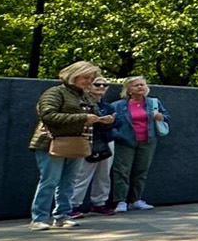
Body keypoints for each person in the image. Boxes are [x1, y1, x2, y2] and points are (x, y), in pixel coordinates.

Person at [28, 61, 114, 230]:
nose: (89, 81)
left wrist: (104, 120)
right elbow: (48, 115)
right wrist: (82, 118)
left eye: (92, 78)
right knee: (50, 180)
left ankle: (63, 215)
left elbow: (94, 114)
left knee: (69, 181)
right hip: (51, 142)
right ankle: (39, 217)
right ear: (73, 75)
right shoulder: (55, 92)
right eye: (86, 77)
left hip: (77, 142)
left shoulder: (86, 95)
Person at [107, 76, 168, 211]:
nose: (140, 87)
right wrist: (119, 136)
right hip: (125, 142)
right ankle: (120, 201)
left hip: (147, 141)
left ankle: (136, 200)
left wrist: (160, 117)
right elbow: (111, 124)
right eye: (136, 85)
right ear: (129, 89)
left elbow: (166, 116)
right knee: (122, 171)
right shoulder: (118, 105)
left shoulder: (153, 103)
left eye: (142, 85)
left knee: (141, 171)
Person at [69, 76, 116, 216]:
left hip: (106, 141)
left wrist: (110, 121)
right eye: (97, 84)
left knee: (104, 174)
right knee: (82, 173)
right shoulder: (81, 104)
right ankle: (72, 205)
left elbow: (117, 123)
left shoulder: (108, 106)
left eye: (105, 85)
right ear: (89, 86)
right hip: (87, 140)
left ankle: (99, 203)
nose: (101, 87)